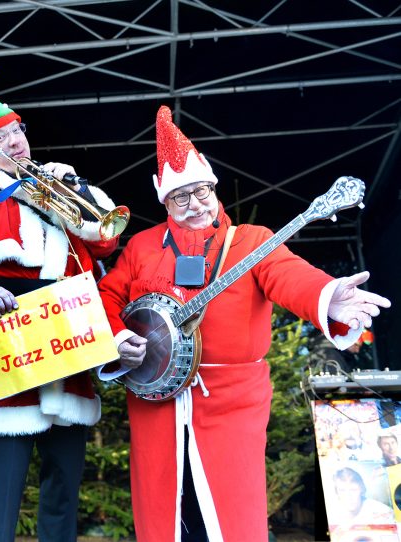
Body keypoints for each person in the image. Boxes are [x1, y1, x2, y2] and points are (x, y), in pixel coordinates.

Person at [97, 105, 392, 542]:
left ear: (214, 189)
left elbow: (290, 276)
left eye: (202, 192)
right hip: (155, 409)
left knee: (231, 519)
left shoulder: (253, 241)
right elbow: (107, 297)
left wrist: (329, 299)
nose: (194, 204)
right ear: (164, 200)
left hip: (230, 408)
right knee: (163, 517)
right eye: (181, 196)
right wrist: (120, 337)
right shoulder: (141, 246)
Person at [0, 70, 122, 542]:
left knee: (64, 489)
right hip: (13, 352)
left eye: (17, 132)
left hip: (72, 353)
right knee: (2, 493)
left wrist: (78, 191)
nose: (15, 143)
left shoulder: (58, 185)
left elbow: (104, 243)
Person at [330, 467, 394, 530]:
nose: (348, 496)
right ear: (336, 492)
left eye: (353, 490)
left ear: (361, 489)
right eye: (342, 490)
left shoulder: (383, 512)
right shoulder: (331, 514)